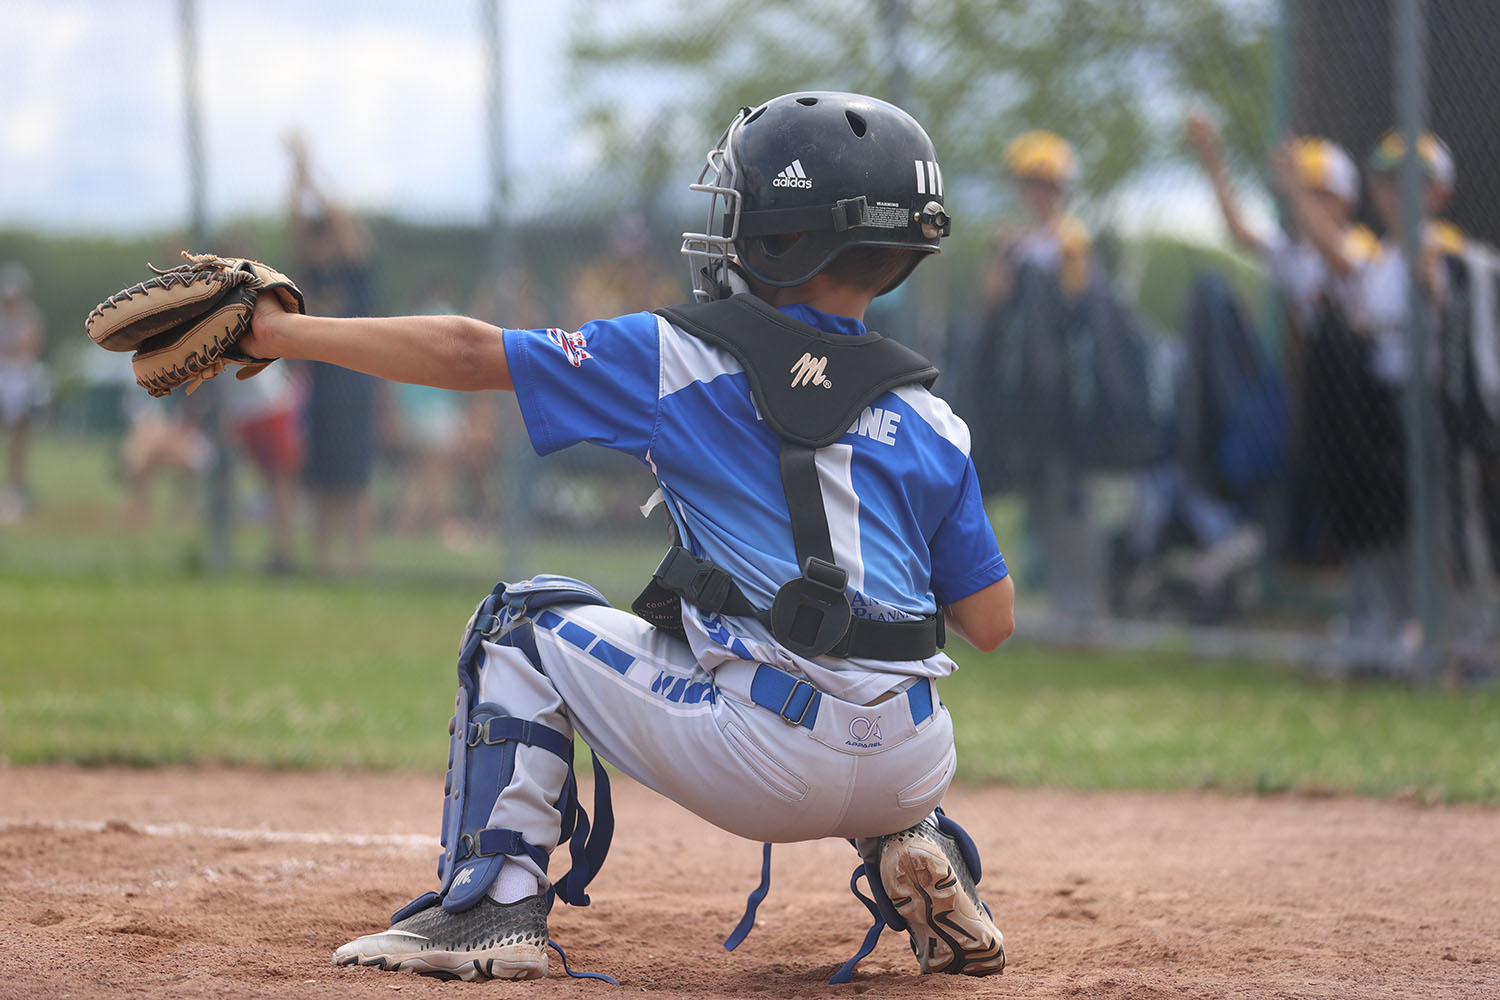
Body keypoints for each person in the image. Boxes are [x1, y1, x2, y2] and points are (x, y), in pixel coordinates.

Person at [244, 92, 1013, 983]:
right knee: (851, 667)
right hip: (916, 758)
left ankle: (490, 913)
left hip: (767, 760)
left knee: (517, 624)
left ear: (781, 237)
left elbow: (464, 352)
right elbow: (988, 622)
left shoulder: (675, 356)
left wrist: (278, 330)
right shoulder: (932, 419)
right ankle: (910, 844)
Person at [1276, 129, 1455, 664]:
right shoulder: (1386, 257)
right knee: (1377, 523)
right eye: (1388, 182)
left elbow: (1451, 291)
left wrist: (1440, 289)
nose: (1398, 193)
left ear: (1439, 192)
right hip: (1379, 407)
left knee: (1425, 526)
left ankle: (1435, 637)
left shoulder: (1439, 246)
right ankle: (1384, 630)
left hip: (1425, 404)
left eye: (1414, 183)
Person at [286, 134, 381, 577]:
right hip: (320, 387)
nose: (322, 246)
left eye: (327, 240)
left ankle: (357, 562)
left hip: (354, 383)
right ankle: (323, 562)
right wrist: (295, 175)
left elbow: (344, 225)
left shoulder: (355, 271)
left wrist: (313, 169)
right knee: (321, 478)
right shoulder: (308, 274)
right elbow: (295, 229)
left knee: (354, 478)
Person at [0, 263, 49, 521]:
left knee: (19, 435)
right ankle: (13, 486)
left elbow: (29, 347)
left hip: (21, 382)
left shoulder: (29, 318)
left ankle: (14, 486)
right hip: (9, 380)